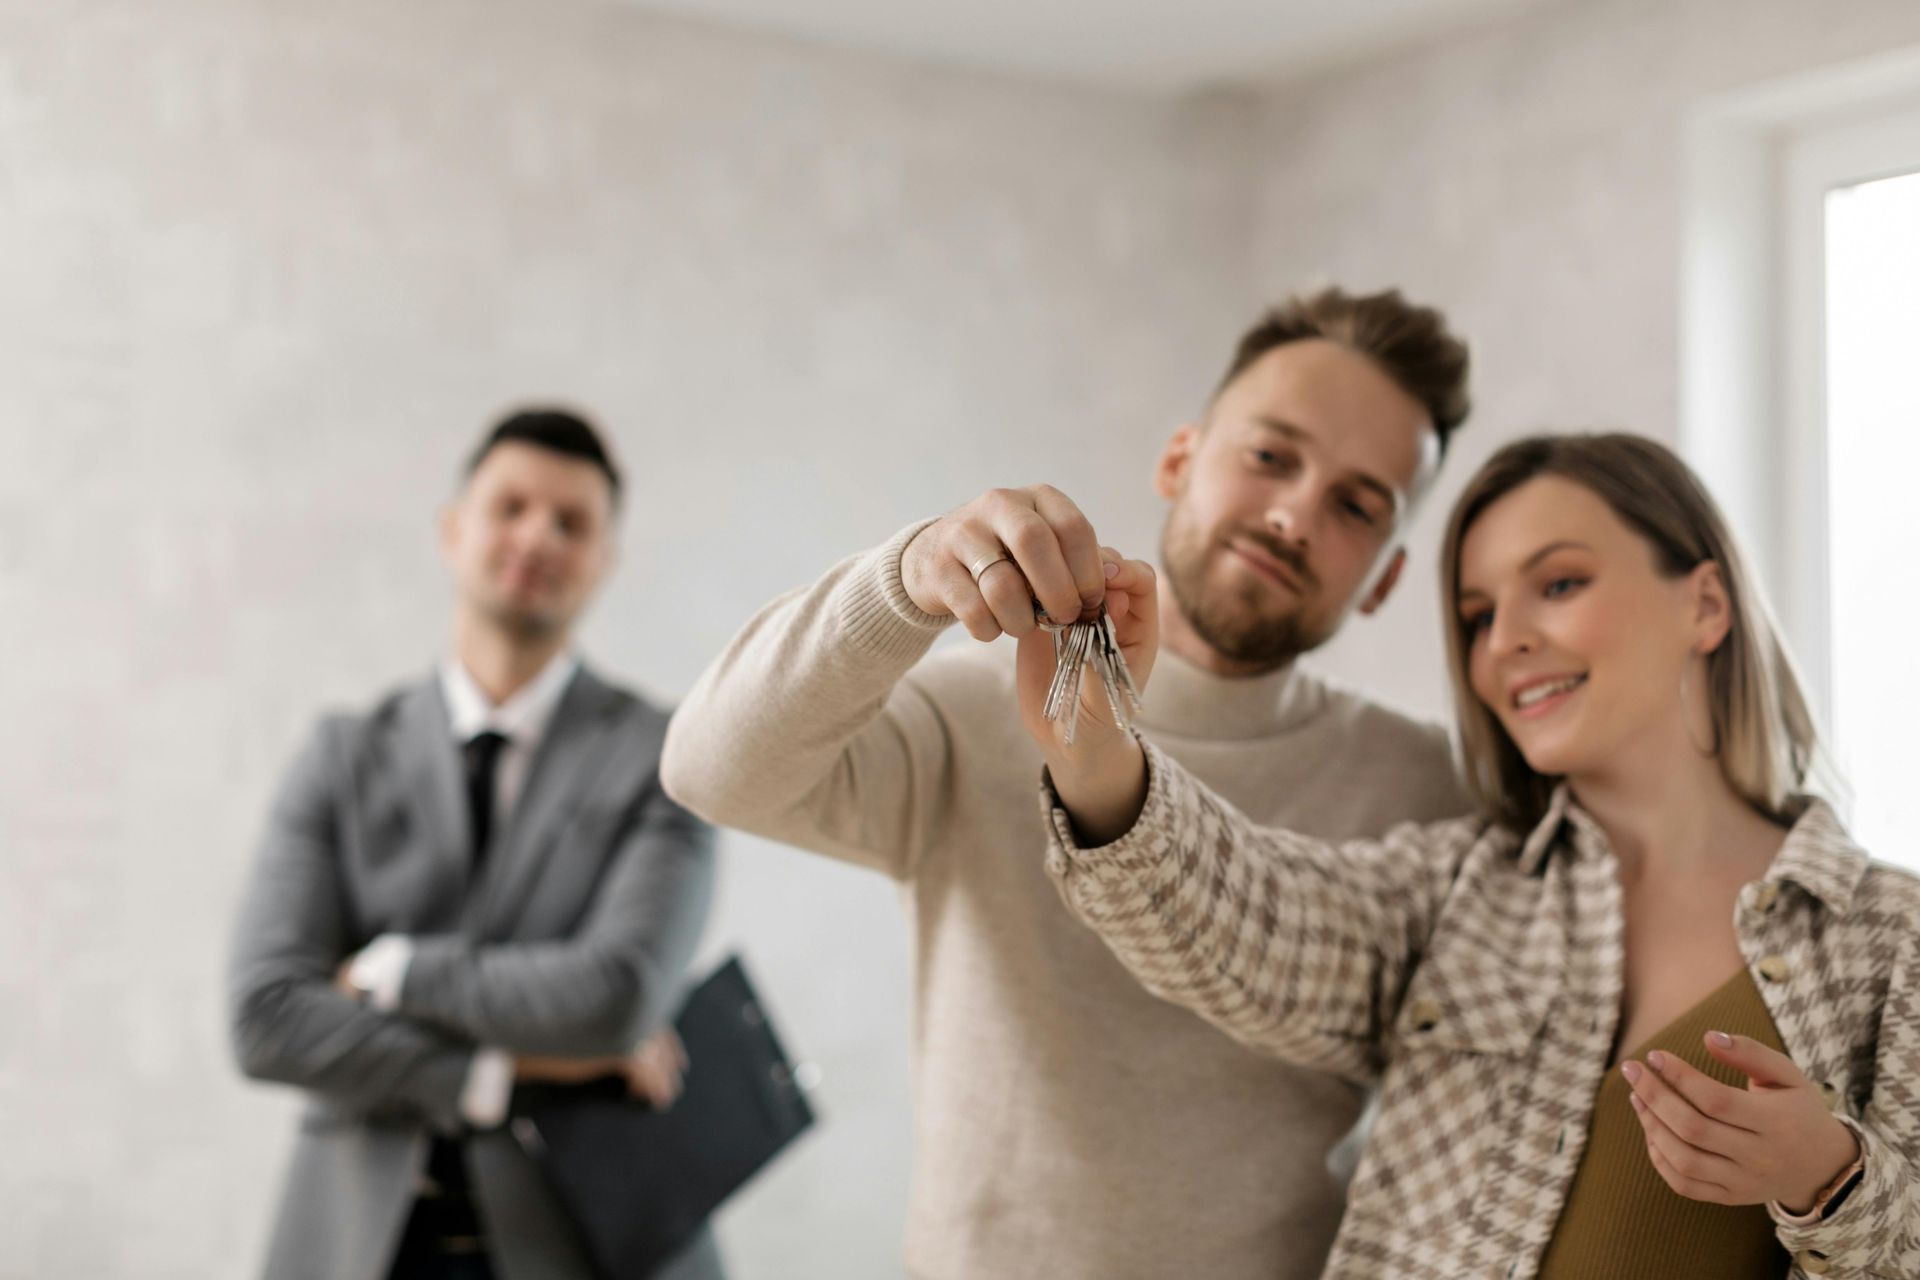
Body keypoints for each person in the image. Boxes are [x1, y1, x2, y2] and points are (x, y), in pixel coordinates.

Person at [662, 288, 1474, 1278]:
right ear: (1181, 459)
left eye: (1356, 504)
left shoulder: (1428, 786)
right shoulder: (974, 710)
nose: (1293, 511)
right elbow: (709, 770)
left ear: (1385, 576)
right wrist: (905, 579)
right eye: (1270, 454)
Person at [1029, 432, 1919, 1280]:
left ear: (1706, 604)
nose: (1504, 643)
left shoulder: (1891, 938)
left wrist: (1831, 1178)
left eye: (1560, 583)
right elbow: (1246, 916)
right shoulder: (1456, 890)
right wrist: (1099, 756)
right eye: (1478, 615)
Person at [229, 410, 723, 1280]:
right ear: (455, 531)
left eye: (572, 523)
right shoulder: (342, 753)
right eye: (512, 507)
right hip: (360, 1243)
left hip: (590, 1245)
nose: (538, 535)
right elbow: (267, 1018)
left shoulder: (671, 754)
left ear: (604, 563)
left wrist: (396, 973)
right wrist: (505, 1067)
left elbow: (618, 997)